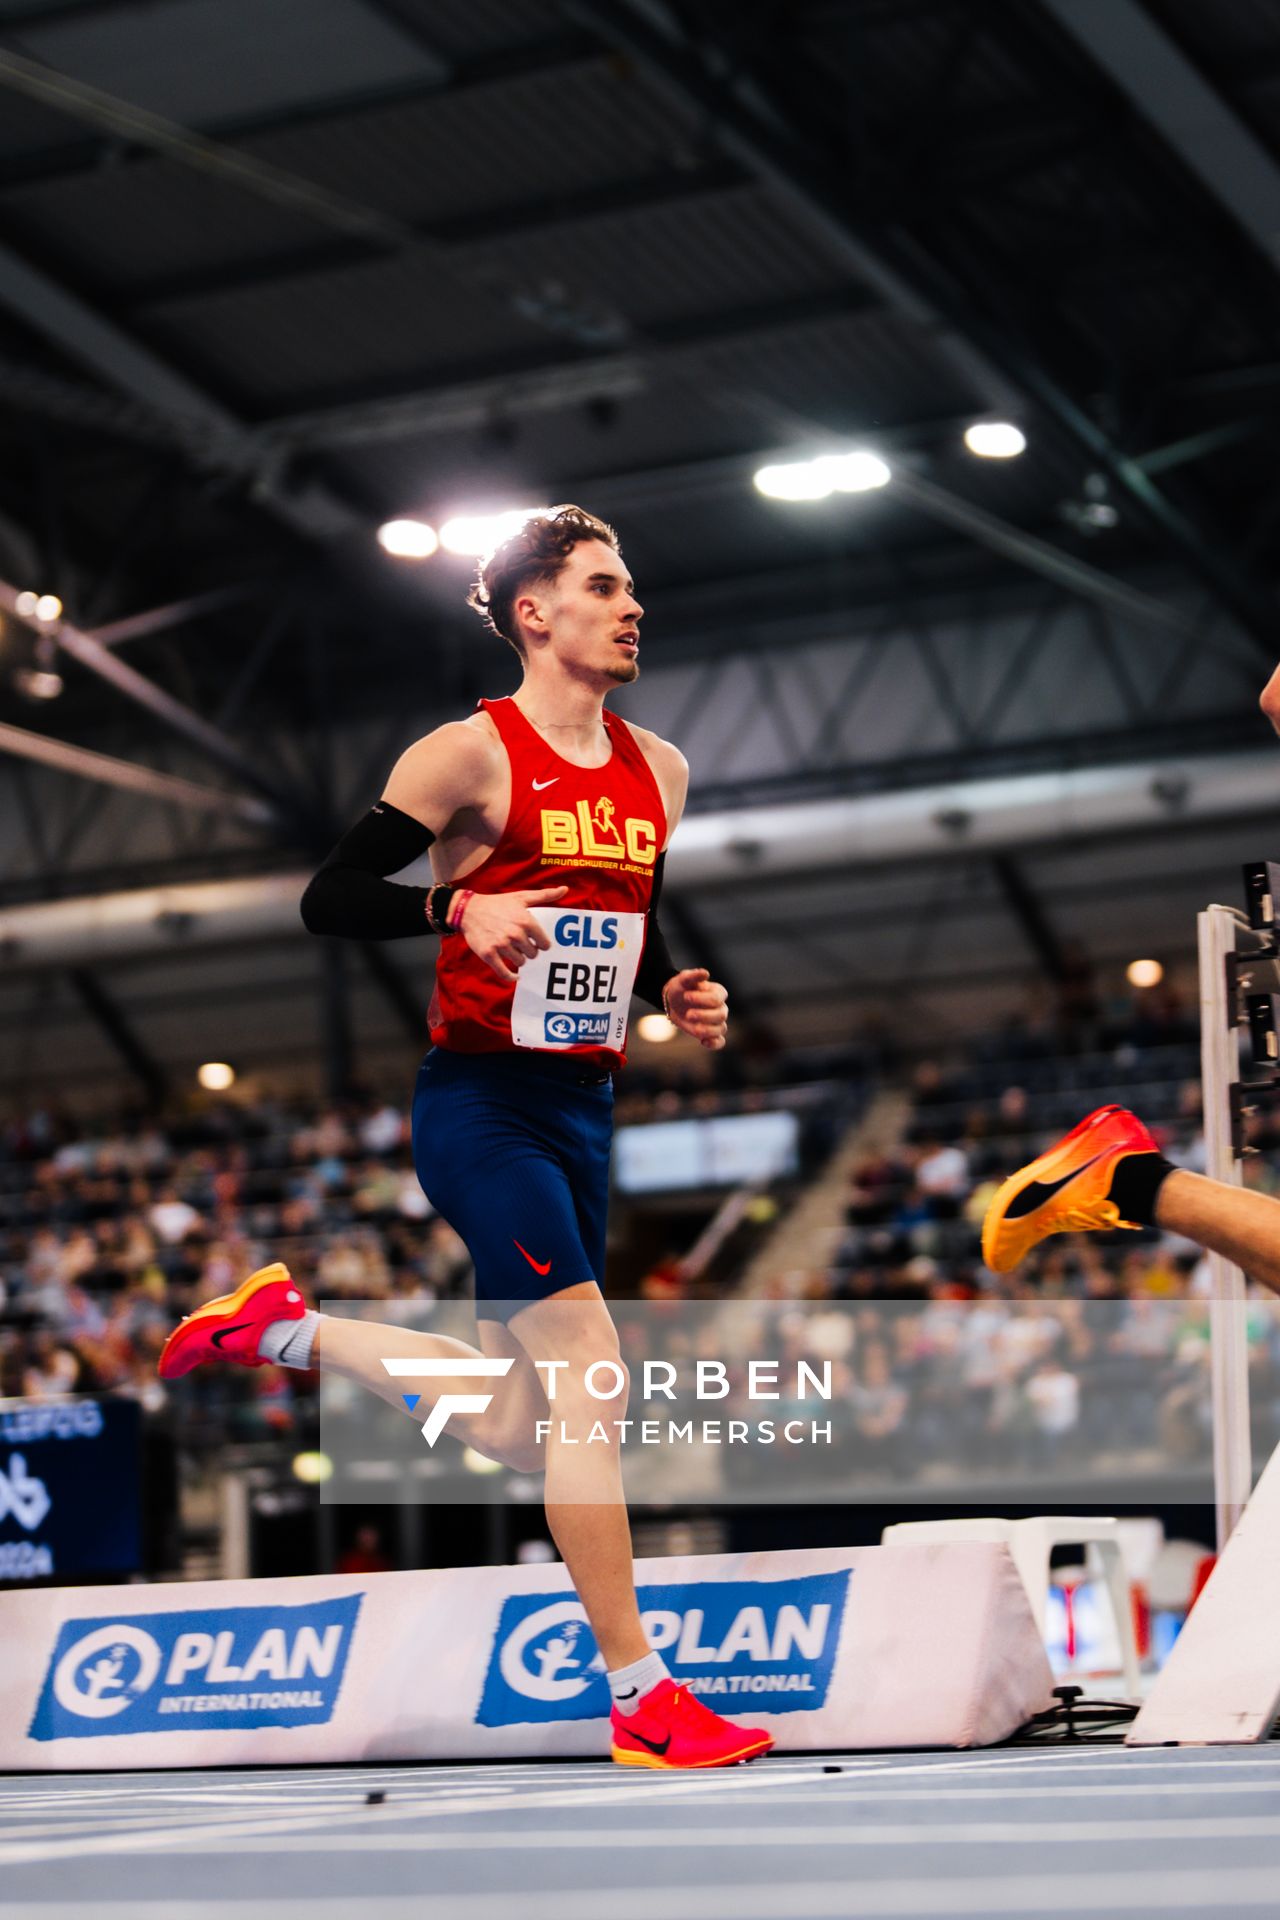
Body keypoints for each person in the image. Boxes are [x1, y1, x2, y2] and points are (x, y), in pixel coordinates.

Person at [158, 505, 772, 1771]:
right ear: (534, 614)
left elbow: (621, 920)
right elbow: (329, 898)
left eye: (632, 587)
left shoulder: (660, 769)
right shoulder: (465, 756)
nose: (631, 605)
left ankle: (277, 1328)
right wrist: (454, 904)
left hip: (583, 1111)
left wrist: (673, 990)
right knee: (593, 1374)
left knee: (514, 1428)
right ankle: (641, 1695)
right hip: (481, 1105)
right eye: (605, 586)